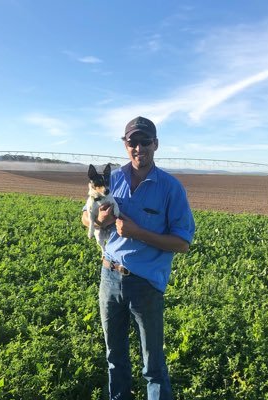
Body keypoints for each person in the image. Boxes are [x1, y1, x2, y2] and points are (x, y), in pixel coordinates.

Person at [82, 116, 195, 400]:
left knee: (153, 365)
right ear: (125, 144)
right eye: (133, 141)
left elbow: (182, 243)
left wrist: (137, 231)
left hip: (146, 284)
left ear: (155, 144)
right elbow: (86, 216)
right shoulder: (112, 179)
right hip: (109, 277)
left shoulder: (171, 188)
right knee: (114, 357)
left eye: (145, 141)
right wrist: (99, 220)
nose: (138, 147)